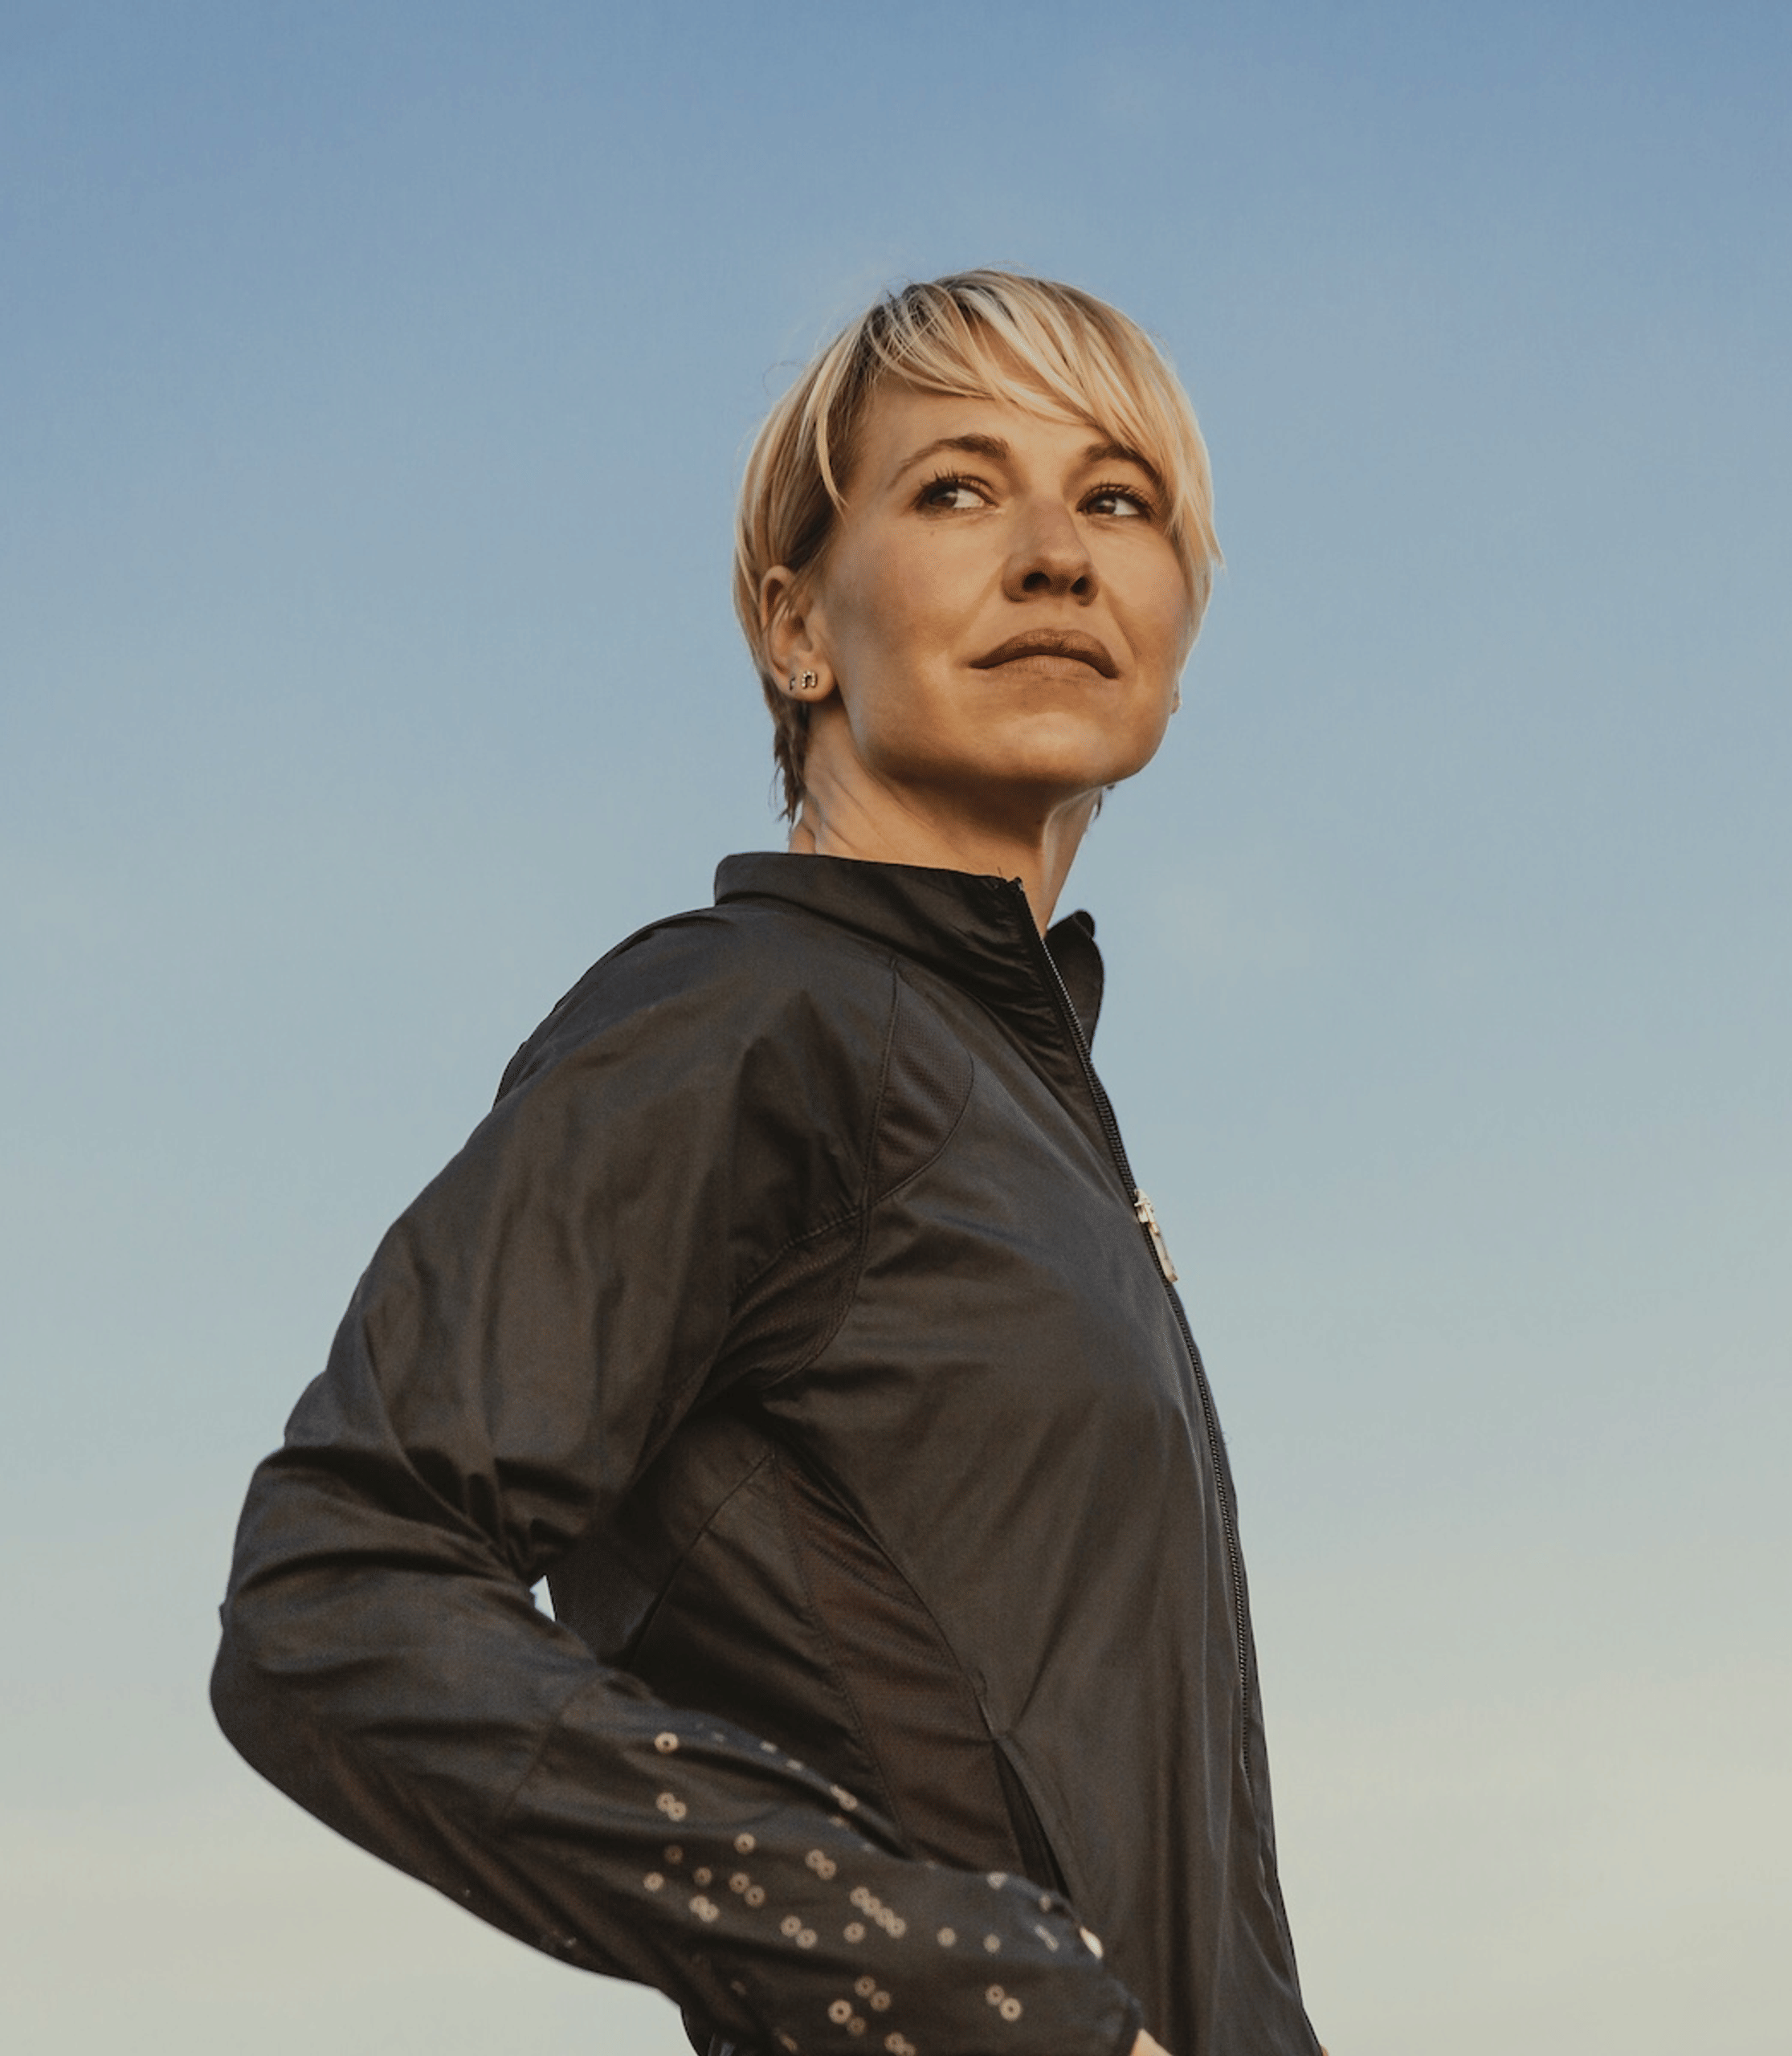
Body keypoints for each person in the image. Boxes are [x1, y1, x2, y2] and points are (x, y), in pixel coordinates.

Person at [211, 271, 1319, 2056]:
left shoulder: (1035, 1131)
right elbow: (334, 1584)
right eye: (957, 487)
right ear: (797, 624)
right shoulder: (762, 1021)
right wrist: (934, 1969)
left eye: (1119, 499)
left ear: (1180, 626)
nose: (1056, 549)